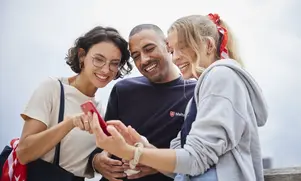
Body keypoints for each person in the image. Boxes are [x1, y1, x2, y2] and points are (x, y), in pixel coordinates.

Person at [84, 14, 268, 181]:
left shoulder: (220, 76)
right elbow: (183, 165)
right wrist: (145, 147)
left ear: (209, 45)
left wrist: (132, 152)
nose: (176, 58)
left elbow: (196, 159)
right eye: (174, 51)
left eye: (182, 48)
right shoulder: (199, 94)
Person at [15, 26, 132, 180]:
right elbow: (23, 153)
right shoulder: (53, 89)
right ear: (82, 55)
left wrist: (99, 163)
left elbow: (80, 161)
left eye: (114, 63)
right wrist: (70, 122)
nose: (106, 70)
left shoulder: (101, 111)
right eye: (99, 59)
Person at [88, 24, 196, 181]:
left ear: (167, 46)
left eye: (149, 49)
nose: (144, 60)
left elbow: (195, 158)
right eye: (136, 56)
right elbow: (102, 145)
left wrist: (156, 164)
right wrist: (97, 161)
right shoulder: (123, 90)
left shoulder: (195, 93)